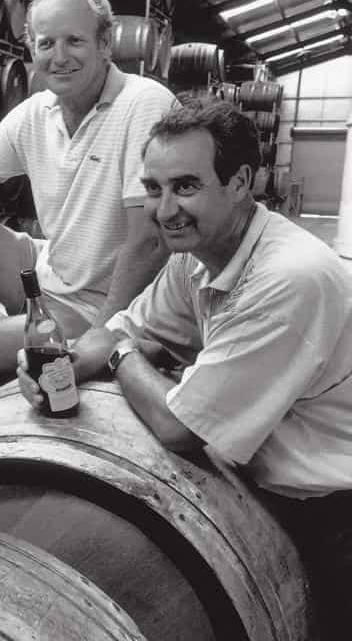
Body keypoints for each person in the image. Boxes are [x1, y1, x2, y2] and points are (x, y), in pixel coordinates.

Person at [22, 100, 351, 636]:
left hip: (333, 513)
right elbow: (125, 326)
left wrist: (120, 356)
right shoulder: (196, 258)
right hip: (267, 492)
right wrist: (61, 365)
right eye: (154, 188)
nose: (164, 209)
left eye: (186, 186)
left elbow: (180, 426)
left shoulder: (289, 277)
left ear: (240, 181)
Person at [0, 0, 176, 385]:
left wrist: (102, 335)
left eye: (75, 41)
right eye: (46, 43)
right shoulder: (38, 111)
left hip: (98, 305)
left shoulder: (144, 104)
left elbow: (150, 240)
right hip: (44, 272)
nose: (59, 56)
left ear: (105, 44)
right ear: (32, 49)